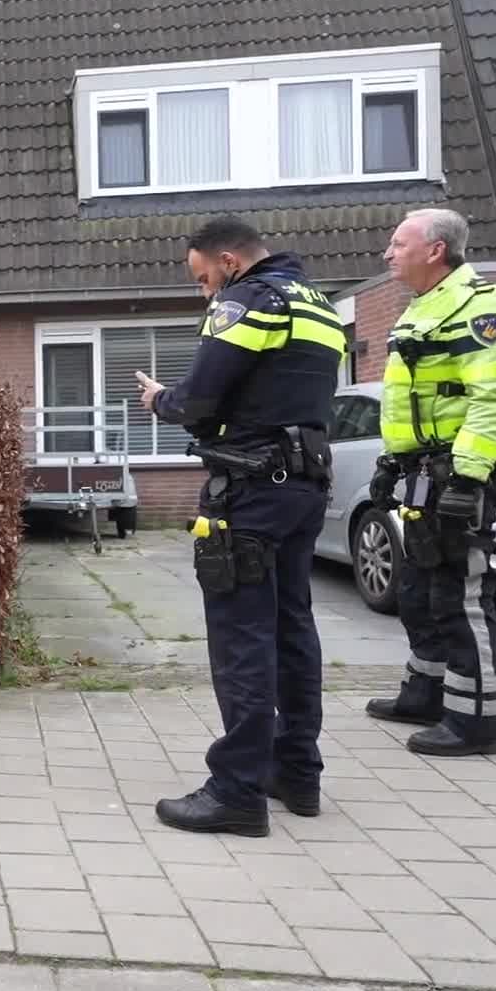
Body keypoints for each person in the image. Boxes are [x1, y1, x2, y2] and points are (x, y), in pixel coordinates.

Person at [135, 216, 344, 836]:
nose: (205, 294)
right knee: (292, 629)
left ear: (228, 261)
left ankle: (236, 792)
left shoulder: (247, 300)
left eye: (202, 279)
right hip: (304, 485)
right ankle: (296, 771)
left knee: (241, 638)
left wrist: (161, 401)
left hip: (252, 489)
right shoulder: (319, 305)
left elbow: (203, 400)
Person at [365, 208, 496, 757]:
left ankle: (478, 722)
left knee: (463, 592)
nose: (388, 253)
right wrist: (393, 461)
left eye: (397, 243)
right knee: (419, 589)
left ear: (435, 250)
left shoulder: (485, 308)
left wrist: (467, 477)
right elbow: (413, 400)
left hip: (457, 473)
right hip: (422, 471)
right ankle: (427, 691)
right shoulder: (423, 308)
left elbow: (494, 401)